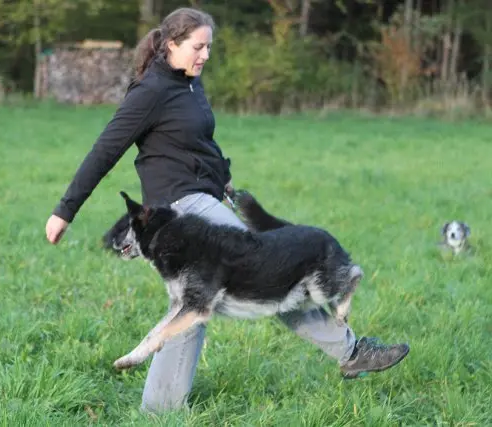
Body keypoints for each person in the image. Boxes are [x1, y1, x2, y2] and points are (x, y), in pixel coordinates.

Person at [45, 7, 410, 413]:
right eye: (198, 47)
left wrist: (225, 181)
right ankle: (351, 351)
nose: (205, 56)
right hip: (180, 207)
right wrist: (65, 210)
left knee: (194, 302)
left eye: (209, 48)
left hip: (203, 200)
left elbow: (201, 143)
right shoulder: (149, 92)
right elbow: (105, 149)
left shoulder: (189, 84)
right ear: (171, 45)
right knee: (265, 267)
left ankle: (160, 409)